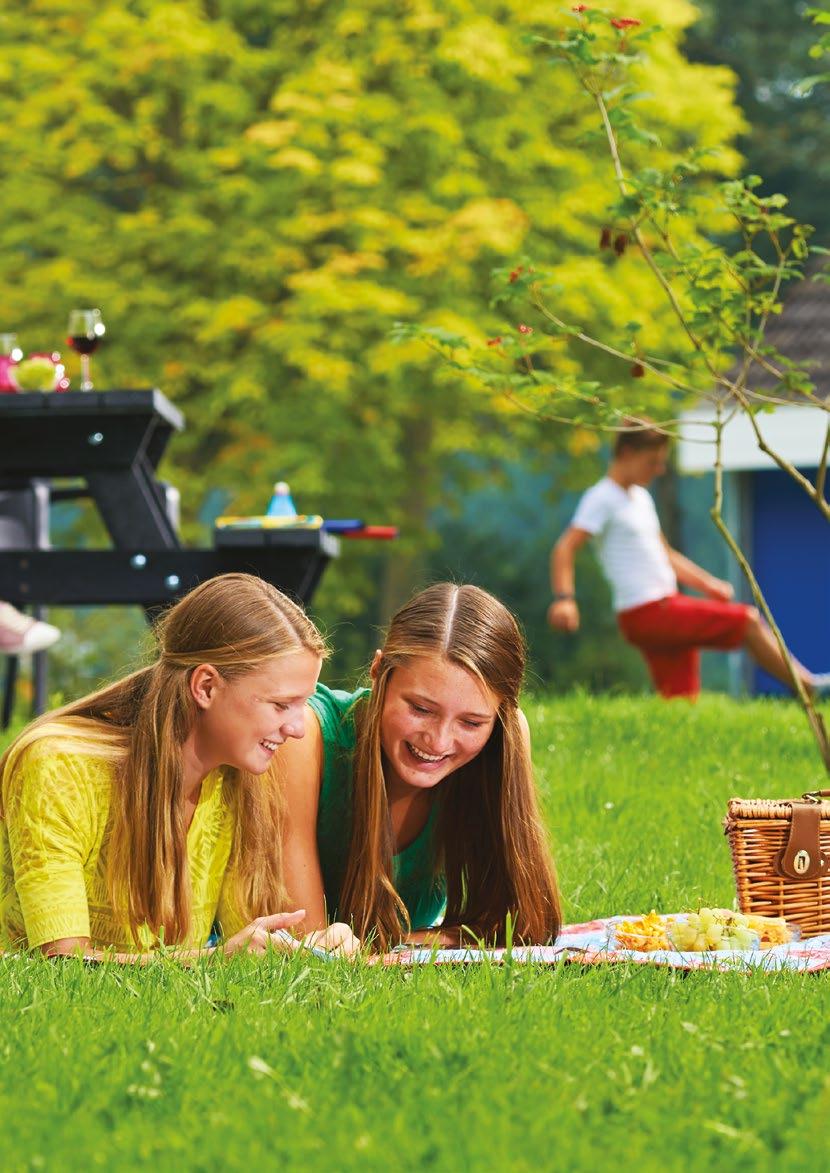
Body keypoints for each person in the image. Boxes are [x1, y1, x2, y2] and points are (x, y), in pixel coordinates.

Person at [0, 572, 355, 960]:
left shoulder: (239, 780)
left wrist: (313, 951)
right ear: (205, 687)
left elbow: (252, 951)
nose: (297, 729)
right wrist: (217, 960)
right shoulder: (59, 766)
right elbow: (63, 961)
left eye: (302, 705)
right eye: (280, 704)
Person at [280, 582, 561, 952]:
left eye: (471, 723)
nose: (439, 742)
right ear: (379, 671)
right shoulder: (303, 735)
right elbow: (309, 945)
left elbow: (518, 925)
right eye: (421, 709)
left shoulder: (502, 740)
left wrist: (403, 942)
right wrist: (437, 940)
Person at [548, 421, 830, 699]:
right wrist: (565, 598)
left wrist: (708, 585)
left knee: (680, 700)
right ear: (626, 453)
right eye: (652, 462)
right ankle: (810, 688)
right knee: (747, 622)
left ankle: (675, 728)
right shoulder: (602, 497)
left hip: (661, 609)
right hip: (648, 611)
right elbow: (565, 548)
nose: (659, 470)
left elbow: (666, 554)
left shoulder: (640, 498)